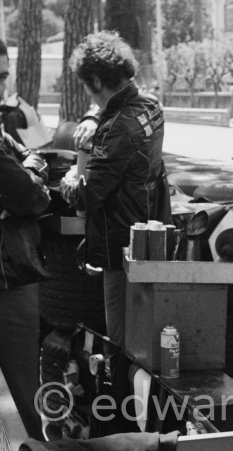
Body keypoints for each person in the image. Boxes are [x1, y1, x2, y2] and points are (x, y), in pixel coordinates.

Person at [60, 31, 170, 348]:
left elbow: (85, 194)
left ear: (95, 80)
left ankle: (122, 396)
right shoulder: (151, 106)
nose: (88, 94)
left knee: (123, 341)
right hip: (152, 234)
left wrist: (67, 179)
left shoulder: (116, 128)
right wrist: (92, 117)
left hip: (119, 248)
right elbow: (108, 108)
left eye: (86, 85)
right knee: (147, 335)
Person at [0, 39, 51, 438]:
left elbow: (32, 155)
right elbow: (30, 196)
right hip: (7, 277)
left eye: (4, 77)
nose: (2, 87)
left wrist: (28, 167)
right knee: (21, 394)